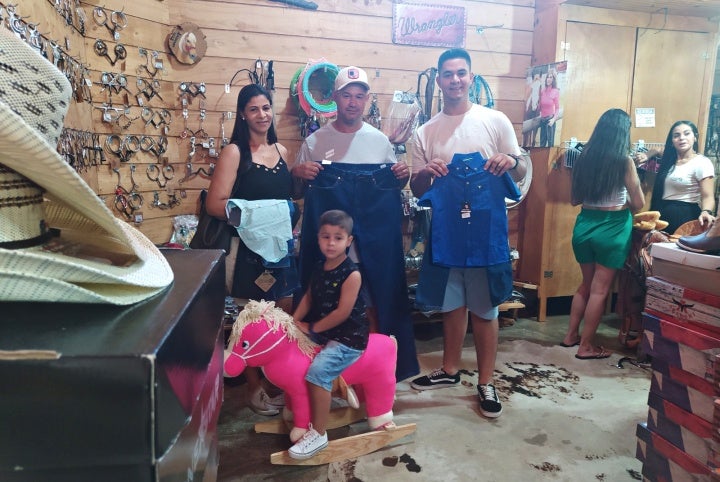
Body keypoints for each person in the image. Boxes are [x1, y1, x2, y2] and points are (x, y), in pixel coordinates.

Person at [408, 48, 529, 419]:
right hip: (445, 234)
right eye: (448, 74)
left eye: (461, 73)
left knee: (485, 309)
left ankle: (486, 381)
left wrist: (512, 160)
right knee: (451, 305)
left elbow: (521, 171)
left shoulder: (495, 121)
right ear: (439, 80)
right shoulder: (424, 132)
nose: (455, 80)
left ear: (471, 78)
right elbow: (417, 189)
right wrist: (425, 173)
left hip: (485, 236)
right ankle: (449, 369)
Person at [291, 66, 419, 381]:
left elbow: (397, 184)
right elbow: (296, 190)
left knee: (376, 299)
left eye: (359, 96)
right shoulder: (315, 141)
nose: (352, 102)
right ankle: (321, 371)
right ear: (335, 98)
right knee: (323, 296)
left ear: (366, 99)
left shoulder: (380, 142)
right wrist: (298, 173)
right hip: (330, 216)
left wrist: (402, 176)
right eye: (346, 95)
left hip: (374, 210)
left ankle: (375, 370)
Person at [206, 83, 298, 416]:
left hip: (280, 249)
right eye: (254, 109)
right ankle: (253, 387)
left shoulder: (282, 152)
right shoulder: (235, 152)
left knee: (282, 315)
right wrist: (258, 216)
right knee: (251, 321)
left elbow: (287, 200)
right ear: (243, 115)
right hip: (247, 249)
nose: (262, 115)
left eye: (266, 107)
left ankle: (276, 379)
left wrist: (283, 219)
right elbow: (215, 204)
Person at [561, 108, 645, 359]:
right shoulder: (624, 161)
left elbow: (575, 199)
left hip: (584, 225)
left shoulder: (583, 157)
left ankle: (570, 336)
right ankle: (586, 347)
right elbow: (639, 203)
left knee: (586, 285)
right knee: (599, 290)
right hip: (613, 227)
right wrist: (624, 200)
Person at [288, 210, 369, 459]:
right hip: (326, 332)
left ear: (349, 241)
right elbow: (309, 297)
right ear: (318, 238)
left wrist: (311, 328)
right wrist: (293, 321)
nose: (331, 243)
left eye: (338, 238)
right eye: (326, 237)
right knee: (291, 354)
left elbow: (342, 313)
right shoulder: (318, 267)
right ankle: (297, 407)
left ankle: (319, 433)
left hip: (348, 337)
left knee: (317, 373)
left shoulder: (352, 274)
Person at [646, 120, 716, 233]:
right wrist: (647, 155)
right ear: (672, 141)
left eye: (687, 133)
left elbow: (708, 196)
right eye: (676, 135)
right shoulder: (669, 160)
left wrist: (706, 211)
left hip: (686, 217)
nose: (682, 138)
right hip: (662, 215)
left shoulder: (702, 162)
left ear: (695, 137)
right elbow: (659, 150)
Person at [538, 71, 560, 147]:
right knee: (542, 144)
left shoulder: (556, 91)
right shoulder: (542, 91)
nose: (548, 79)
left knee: (550, 145)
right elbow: (540, 107)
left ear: (553, 79)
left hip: (550, 120)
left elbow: (557, 108)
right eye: (547, 77)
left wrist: (553, 120)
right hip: (542, 120)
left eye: (551, 77)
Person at [522, 71, 542, 147]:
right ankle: (526, 143)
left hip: (536, 106)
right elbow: (526, 96)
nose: (537, 79)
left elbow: (540, 95)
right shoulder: (530, 85)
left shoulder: (540, 85)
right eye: (535, 78)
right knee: (527, 125)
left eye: (538, 77)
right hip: (529, 107)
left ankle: (533, 141)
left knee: (535, 125)